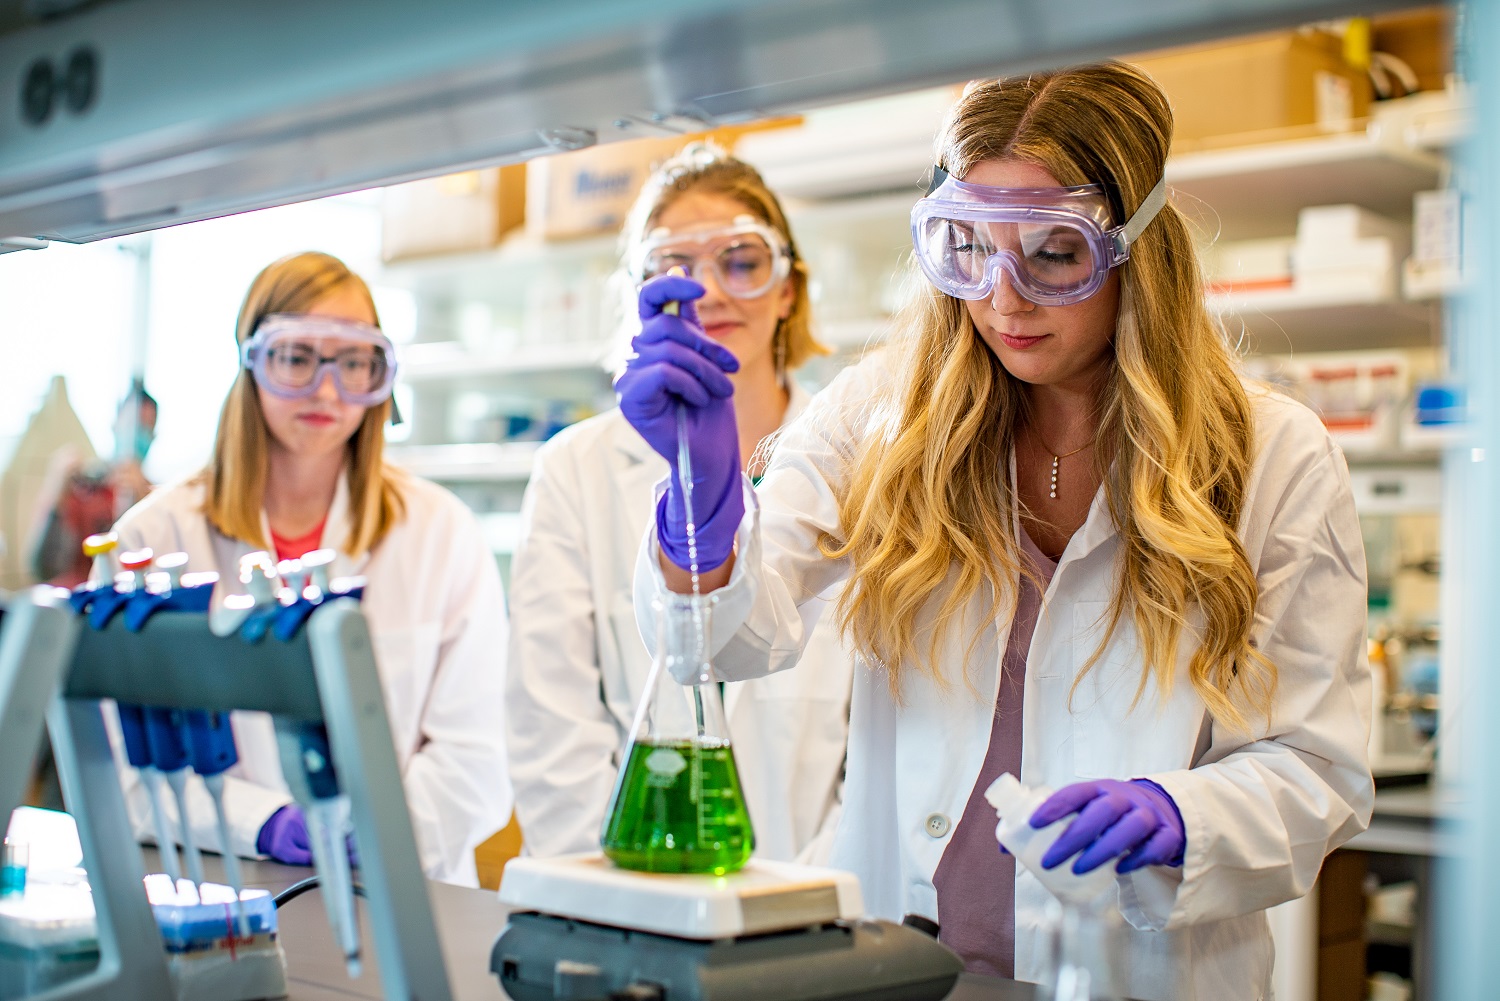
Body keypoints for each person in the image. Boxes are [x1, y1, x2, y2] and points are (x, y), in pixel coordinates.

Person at [617, 65, 1372, 999]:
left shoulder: (1273, 456)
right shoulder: (879, 418)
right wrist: (703, 502)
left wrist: (1183, 813)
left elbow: (1320, 770)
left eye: (1055, 253)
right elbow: (715, 643)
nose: (1003, 298)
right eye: (967, 247)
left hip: (1139, 974)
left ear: (1137, 248)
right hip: (901, 966)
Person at [109, 251, 512, 886]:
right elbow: (127, 771)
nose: (327, 390)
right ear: (252, 363)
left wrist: (377, 831)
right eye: (297, 358)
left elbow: (478, 756)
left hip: (409, 889)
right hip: (227, 885)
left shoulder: (442, 533)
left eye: (353, 362)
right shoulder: (154, 538)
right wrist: (267, 824)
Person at [506, 144, 854, 863]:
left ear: (788, 288)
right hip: (624, 890)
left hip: (821, 905)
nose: (710, 293)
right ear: (637, 293)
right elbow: (551, 727)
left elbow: (889, 744)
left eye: (742, 261)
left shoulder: (862, 460)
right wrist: (611, 891)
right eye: (675, 269)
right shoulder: (576, 469)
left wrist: (813, 899)